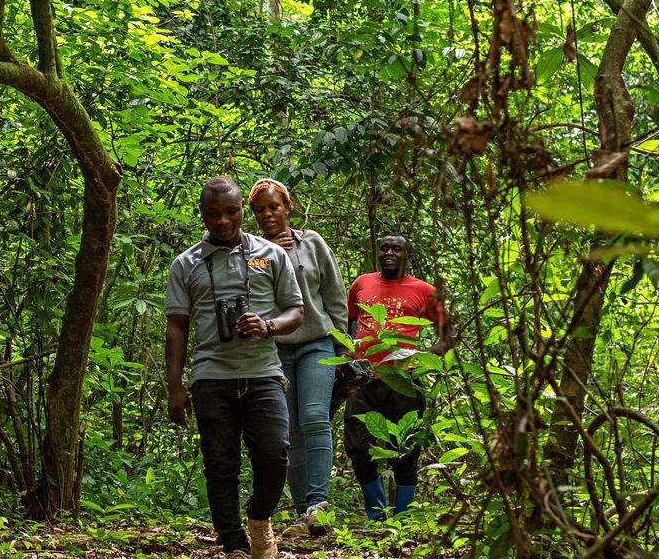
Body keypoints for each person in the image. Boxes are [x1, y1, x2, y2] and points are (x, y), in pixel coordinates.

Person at [166, 176, 306, 559]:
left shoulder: (269, 255)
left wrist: (268, 325)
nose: (223, 221)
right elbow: (177, 326)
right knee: (220, 464)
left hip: (263, 373)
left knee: (275, 453)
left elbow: (295, 310)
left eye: (231, 212)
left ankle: (259, 520)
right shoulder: (186, 263)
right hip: (211, 376)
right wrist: (175, 387)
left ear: (243, 210)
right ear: (202, 213)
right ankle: (234, 544)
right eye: (213, 214)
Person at [246, 179, 346, 537]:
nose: (267, 214)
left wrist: (343, 343)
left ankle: (319, 504)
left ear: (287, 207)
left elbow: (334, 293)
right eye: (260, 210)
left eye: (274, 207)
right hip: (275, 348)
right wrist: (270, 250)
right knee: (288, 432)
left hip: (316, 343)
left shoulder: (312, 242)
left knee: (315, 417)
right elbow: (246, 285)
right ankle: (304, 514)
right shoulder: (251, 251)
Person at [341, 235, 452, 521]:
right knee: (357, 446)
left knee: (406, 450)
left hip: (404, 382)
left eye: (396, 249)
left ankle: (402, 520)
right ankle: (376, 515)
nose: (389, 253)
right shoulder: (361, 283)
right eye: (384, 248)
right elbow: (350, 320)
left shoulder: (425, 291)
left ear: (408, 256)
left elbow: (448, 336)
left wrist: (421, 359)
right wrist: (350, 352)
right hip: (364, 381)